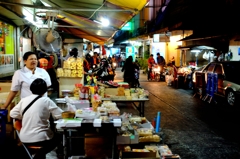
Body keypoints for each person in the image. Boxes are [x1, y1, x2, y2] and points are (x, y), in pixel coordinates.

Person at [10, 78, 63, 159]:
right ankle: (38, 156)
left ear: (31, 89)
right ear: (45, 90)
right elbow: (60, 114)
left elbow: (12, 113)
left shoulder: (23, 100)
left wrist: (24, 116)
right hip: (41, 139)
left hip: (24, 138)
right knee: (59, 136)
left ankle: (38, 155)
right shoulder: (46, 100)